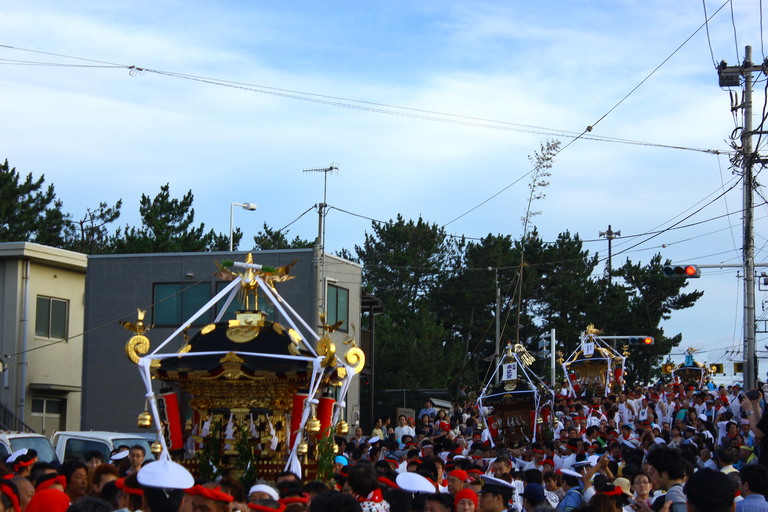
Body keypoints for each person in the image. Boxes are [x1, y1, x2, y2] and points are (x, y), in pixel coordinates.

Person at [644, 446, 686, 511]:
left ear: (665, 473)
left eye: (652, 473)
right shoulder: (685, 488)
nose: (651, 478)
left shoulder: (674, 492)